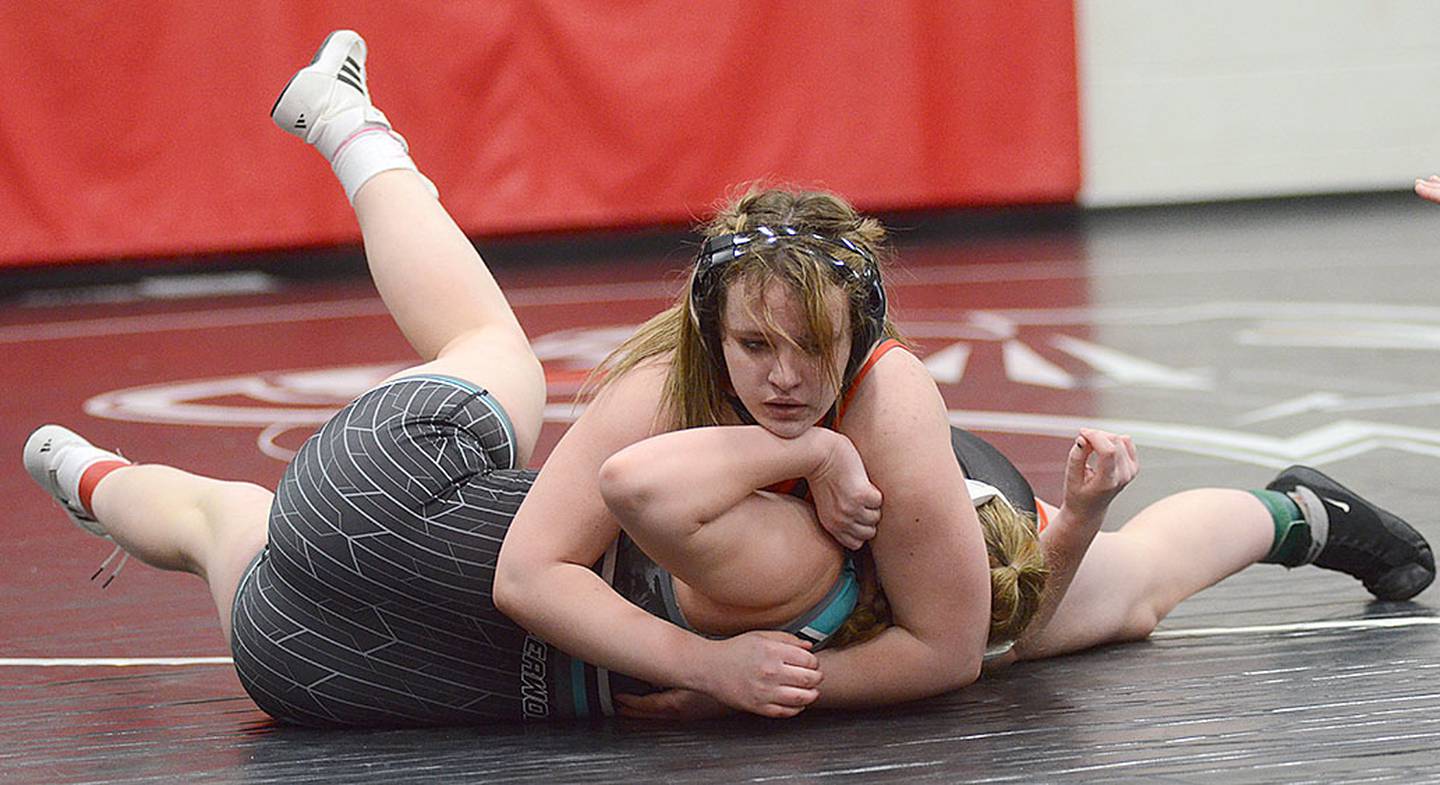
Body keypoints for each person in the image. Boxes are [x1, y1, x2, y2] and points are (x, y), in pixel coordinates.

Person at [24, 30, 1434, 727]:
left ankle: (92, 476)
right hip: (407, 613)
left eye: (805, 361)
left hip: (334, 650)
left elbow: (951, 644)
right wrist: (720, 646)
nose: (775, 379)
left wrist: (1002, 529)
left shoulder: (881, 403)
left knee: (1091, 600)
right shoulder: (681, 416)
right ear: (713, 328)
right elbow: (574, 541)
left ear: (856, 345)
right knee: (1084, 605)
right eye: (751, 349)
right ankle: (346, 124)